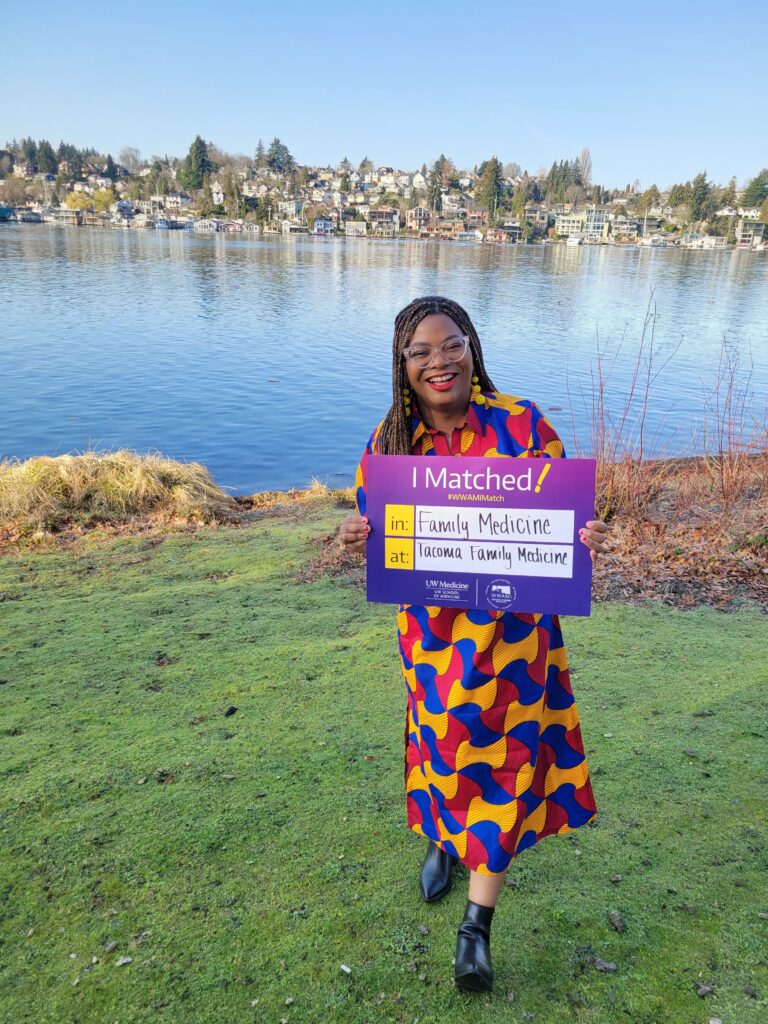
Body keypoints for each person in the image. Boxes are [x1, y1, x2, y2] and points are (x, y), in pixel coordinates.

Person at [339, 295, 610, 994]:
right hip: (433, 641)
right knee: (441, 748)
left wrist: (584, 540)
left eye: (450, 344)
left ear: (472, 346)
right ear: (402, 365)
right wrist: (357, 537)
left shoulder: (522, 424)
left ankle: (475, 928)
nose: (439, 361)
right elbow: (376, 527)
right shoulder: (390, 442)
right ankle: (443, 838)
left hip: (517, 642)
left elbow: (564, 527)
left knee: (506, 767)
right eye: (421, 351)